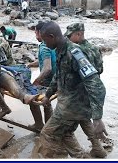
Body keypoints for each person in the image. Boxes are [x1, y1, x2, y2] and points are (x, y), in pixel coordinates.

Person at [38, 21, 107, 158]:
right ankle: (83, 157)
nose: (45, 44)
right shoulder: (60, 50)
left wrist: (98, 118)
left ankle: (58, 157)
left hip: (72, 106)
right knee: (66, 133)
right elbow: (58, 75)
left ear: (52, 36)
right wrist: (48, 94)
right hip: (68, 102)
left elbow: (96, 85)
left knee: (48, 134)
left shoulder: (74, 53)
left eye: (45, 40)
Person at [64, 23, 107, 158]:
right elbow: (100, 70)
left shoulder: (77, 52)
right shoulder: (94, 48)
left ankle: (82, 157)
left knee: (65, 131)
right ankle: (98, 149)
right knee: (84, 119)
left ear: (79, 34)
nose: (68, 39)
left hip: (79, 94)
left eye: (70, 36)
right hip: (90, 94)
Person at [26, 22, 56, 131]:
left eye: (35, 33)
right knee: (47, 103)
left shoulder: (44, 46)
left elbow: (47, 68)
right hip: (56, 80)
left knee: (32, 98)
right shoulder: (52, 43)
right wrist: (30, 64)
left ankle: (39, 125)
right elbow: (44, 60)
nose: (35, 36)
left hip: (48, 81)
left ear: (39, 32)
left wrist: (37, 81)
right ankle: (48, 128)